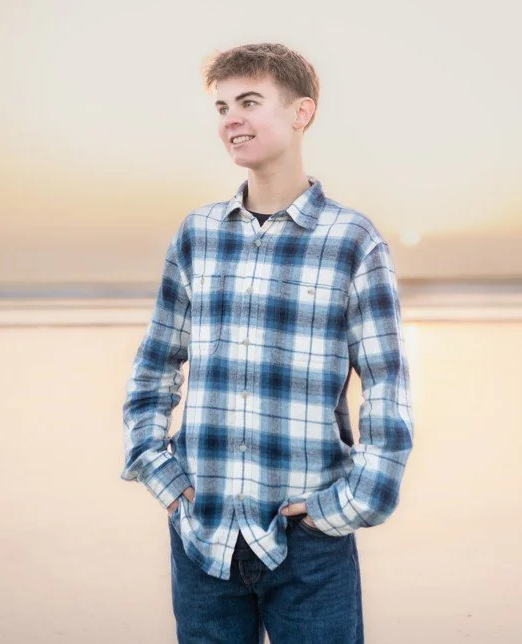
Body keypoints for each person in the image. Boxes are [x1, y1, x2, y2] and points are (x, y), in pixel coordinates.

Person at [121, 42, 414, 643]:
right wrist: (159, 472)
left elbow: (387, 386)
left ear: (302, 112)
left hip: (309, 542)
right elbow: (156, 364)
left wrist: (356, 502)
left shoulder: (352, 240)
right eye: (222, 106)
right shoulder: (199, 234)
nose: (231, 119)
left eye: (249, 102)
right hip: (202, 535)